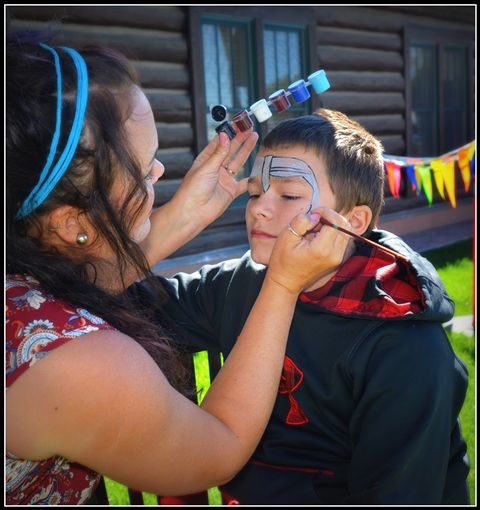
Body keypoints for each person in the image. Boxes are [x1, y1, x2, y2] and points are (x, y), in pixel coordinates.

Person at [5, 35, 352, 505]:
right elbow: (219, 446)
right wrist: (283, 284)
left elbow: (75, 284)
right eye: (145, 170)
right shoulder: (74, 364)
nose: (161, 172)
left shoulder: (22, 268)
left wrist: (187, 213)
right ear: (71, 223)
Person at [143, 111, 470, 504]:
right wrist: (180, 217)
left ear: (352, 221)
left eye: (289, 195)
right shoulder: (236, 285)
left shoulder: (404, 343)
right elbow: (107, 302)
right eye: (254, 192)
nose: (258, 209)